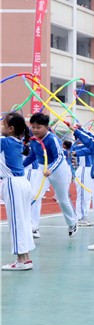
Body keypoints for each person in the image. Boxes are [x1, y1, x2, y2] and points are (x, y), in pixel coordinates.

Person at [25, 113, 78, 237]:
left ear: (46, 127)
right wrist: (19, 167)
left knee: (62, 199)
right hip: (41, 169)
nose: (35, 130)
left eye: (39, 127)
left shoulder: (52, 139)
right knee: (34, 195)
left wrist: (51, 169)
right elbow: (32, 156)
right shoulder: (33, 139)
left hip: (59, 169)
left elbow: (59, 157)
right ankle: (33, 227)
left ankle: (72, 223)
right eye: (33, 127)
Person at [1, 113, 36, 271]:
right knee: (23, 221)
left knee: (16, 222)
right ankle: (26, 259)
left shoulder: (5, 141)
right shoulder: (16, 142)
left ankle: (21, 260)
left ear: (11, 128)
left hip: (13, 184)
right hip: (22, 183)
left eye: (3, 124)